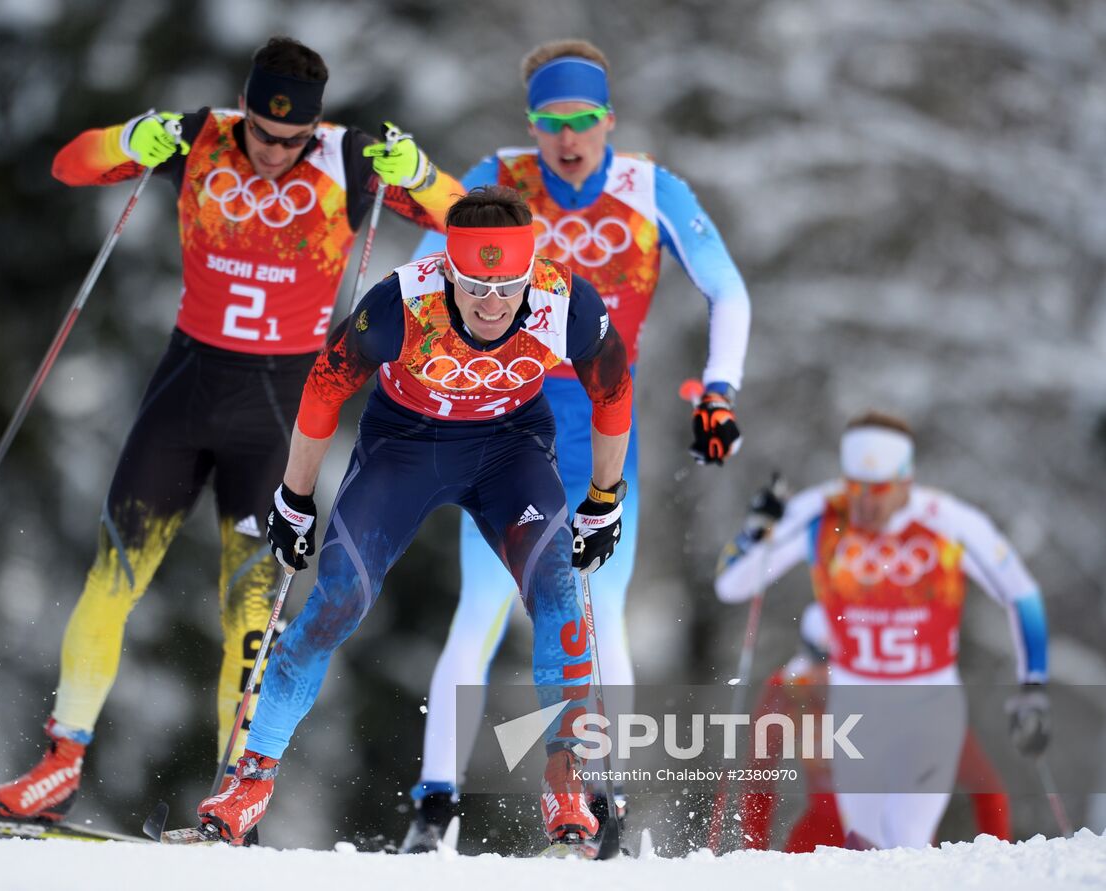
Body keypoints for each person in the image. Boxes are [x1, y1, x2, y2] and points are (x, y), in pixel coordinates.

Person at [0, 36, 462, 823]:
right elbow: (71, 165)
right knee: (112, 574)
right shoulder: (197, 136)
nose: (274, 152)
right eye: (262, 133)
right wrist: (127, 140)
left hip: (276, 415)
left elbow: (465, 223)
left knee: (250, 613)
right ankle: (60, 764)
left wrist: (418, 173)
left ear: (314, 127)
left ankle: (229, 801)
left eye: (292, 139)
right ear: (243, 108)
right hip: (185, 391)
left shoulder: (349, 159)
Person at [193, 185, 635, 849]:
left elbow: (614, 392)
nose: (491, 304)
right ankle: (250, 780)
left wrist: (604, 499)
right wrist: (294, 497)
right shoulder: (401, 303)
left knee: (556, 591)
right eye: (475, 286)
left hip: (510, 449)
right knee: (339, 598)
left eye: (507, 286)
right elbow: (323, 390)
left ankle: (567, 779)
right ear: (449, 272)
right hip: (405, 448)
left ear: (529, 273)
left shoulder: (566, 301)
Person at [404, 38, 751, 849]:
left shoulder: (649, 188)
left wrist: (720, 390)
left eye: (583, 120)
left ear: (609, 120)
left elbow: (728, 290)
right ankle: (433, 810)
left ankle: (604, 801)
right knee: (483, 608)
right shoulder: (497, 180)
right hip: (503, 418)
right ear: (531, 125)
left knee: (601, 613)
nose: (568, 139)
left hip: (602, 427)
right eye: (551, 122)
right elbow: (419, 277)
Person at [714, 412, 1050, 850]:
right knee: (865, 843)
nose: (865, 504)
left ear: (905, 481)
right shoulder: (822, 513)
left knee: (907, 836)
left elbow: (1021, 594)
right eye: (855, 487)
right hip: (856, 704)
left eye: (878, 490)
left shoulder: (947, 522)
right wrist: (752, 532)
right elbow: (732, 585)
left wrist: (1033, 684)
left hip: (929, 700)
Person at [733, 605, 1013, 852]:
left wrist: (997, 861)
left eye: (845, 667)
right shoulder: (789, 693)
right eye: (822, 662)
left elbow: (987, 788)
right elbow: (758, 779)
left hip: (897, 843)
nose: (833, 676)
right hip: (822, 833)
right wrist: (753, 855)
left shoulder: (908, 695)